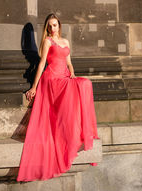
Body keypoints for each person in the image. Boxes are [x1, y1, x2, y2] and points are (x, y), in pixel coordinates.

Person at [16, 13, 99, 182]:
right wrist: (34, 86)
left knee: (85, 84)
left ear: (59, 25)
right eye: (50, 26)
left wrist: (73, 74)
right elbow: (42, 63)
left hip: (65, 75)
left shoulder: (65, 42)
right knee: (78, 88)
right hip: (52, 78)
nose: (52, 28)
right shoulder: (48, 42)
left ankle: (81, 130)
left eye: (55, 25)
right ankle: (72, 132)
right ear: (47, 27)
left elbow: (68, 62)